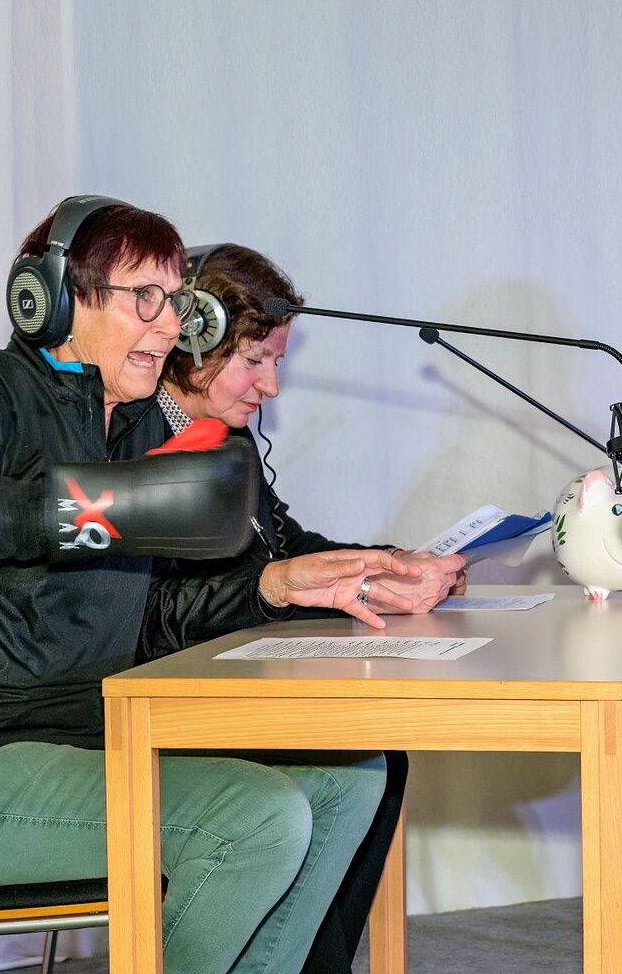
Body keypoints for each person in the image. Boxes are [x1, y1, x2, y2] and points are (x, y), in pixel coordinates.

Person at [0, 198, 436, 973]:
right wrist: (111, 503)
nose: (170, 327)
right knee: (256, 818)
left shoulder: (137, 431)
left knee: (346, 780)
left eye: (176, 303)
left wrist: (274, 586)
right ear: (55, 298)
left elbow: (156, 615)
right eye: (146, 299)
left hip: (92, 741)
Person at [151, 242, 467, 967]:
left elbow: (287, 546)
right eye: (254, 360)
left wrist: (391, 562)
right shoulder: (136, 446)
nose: (269, 386)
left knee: (375, 758)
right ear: (192, 336)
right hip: (168, 699)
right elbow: (160, 607)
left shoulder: (226, 442)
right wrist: (282, 587)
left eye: (277, 363)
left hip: (227, 674)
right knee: (358, 760)